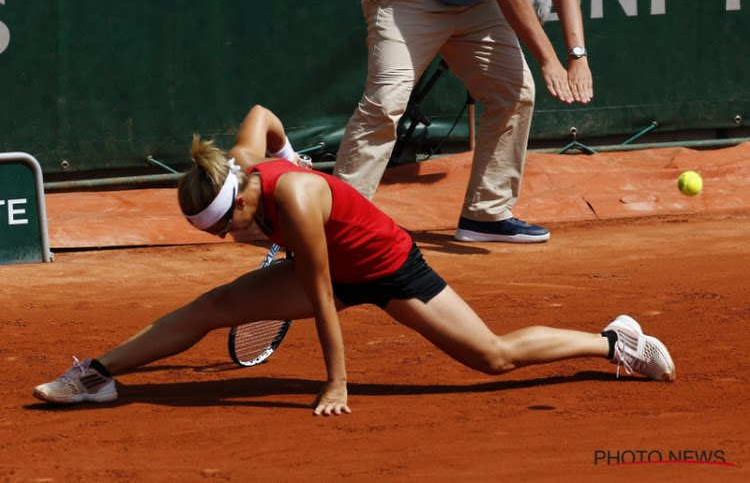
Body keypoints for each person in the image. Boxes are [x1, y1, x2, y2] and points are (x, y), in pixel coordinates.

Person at [33, 106, 673, 416]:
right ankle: (97, 374)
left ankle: (614, 341)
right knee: (212, 307)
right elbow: (262, 113)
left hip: (386, 268)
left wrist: (336, 382)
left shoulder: (299, 203)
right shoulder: (242, 158)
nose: (232, 236)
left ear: (241, 197)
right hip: (336, 265)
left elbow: (320, 293)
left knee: (491, 357)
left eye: (231, 224)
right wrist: (291, 149)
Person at [333, 0, 593, 244]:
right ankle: (335, 225)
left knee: (514, 93)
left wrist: (577, 57)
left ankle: (486, 214)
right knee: (385, 103)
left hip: (477, 4)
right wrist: (548, 61)